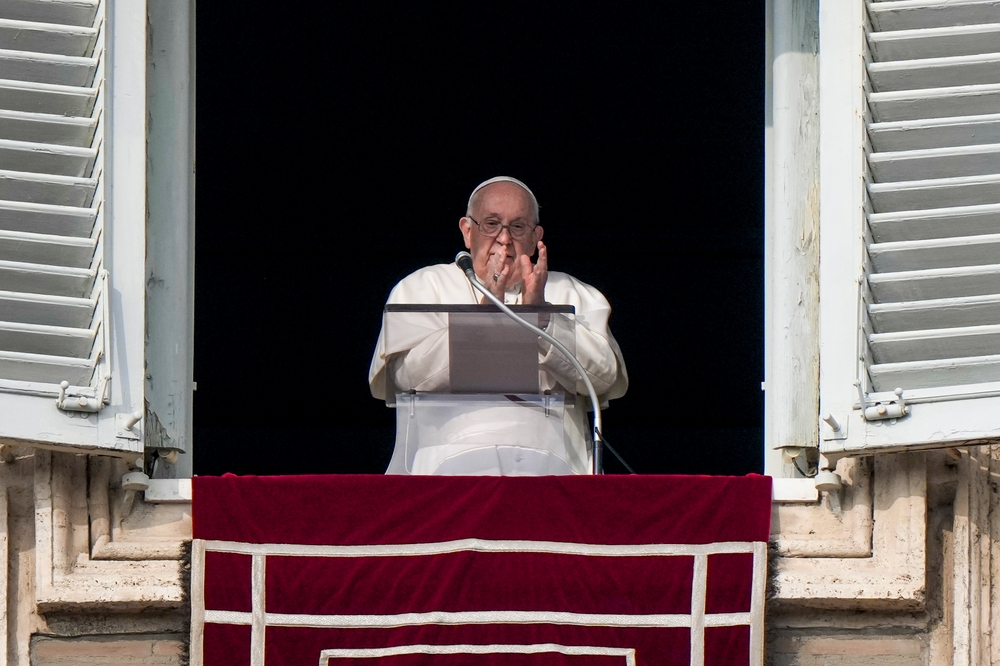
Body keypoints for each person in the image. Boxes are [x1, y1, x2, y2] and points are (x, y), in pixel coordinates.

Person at [369, 176, 627, 475]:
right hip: (446, 466)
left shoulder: (574, 293)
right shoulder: (423, 286)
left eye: (517, 227)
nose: (504, 239)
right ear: (467, 231)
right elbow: (406, 376)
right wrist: (484, 319)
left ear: (535, 236)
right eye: (491, 224)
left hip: (552, 469)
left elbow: (604, 378)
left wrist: (543, 318)